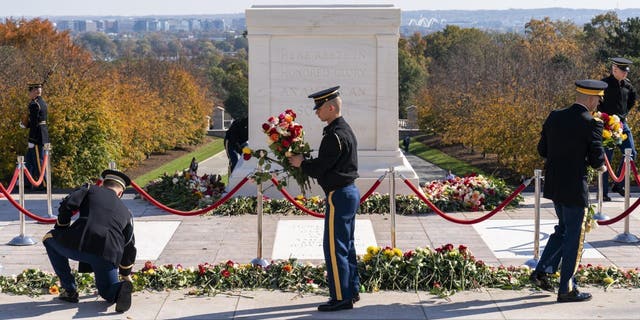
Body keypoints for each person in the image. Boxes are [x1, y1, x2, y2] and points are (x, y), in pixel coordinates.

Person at [531, 79, 607, 303]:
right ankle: (567, 288)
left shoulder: (555, 116)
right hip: (575, 187)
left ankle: (543, 269)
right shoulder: (592, 123)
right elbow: (596, 160)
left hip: (554, 184)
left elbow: (542, 150)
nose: (598, 105)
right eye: (598, 101)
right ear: (592, 99)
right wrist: (602, 165)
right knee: (575, 236)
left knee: (563, 229)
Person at [288, 86, 360, 312]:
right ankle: (351, 290)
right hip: (348, 192)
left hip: (338, 194)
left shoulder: (334, 136)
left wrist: (301, 163)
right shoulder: (343, 130)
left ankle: (341, 297)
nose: (317, 112)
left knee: (334, 247)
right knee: (346, 245)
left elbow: (321, 167)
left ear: (330, 107)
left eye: (319, 108)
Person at [42, 169, 137, 312]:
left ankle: (70, 290)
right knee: (106, 292)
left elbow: (67, 204)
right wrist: (125, 274)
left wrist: (62, 229)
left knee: (49, 239)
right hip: (108, 254)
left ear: (103, 184)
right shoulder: (127, 213)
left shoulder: (89, 189)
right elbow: (129, 246)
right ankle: (119, 289)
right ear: (120, 193)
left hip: (81, 244)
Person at [598, 57, 637, 201]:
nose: (626, 74)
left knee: (631, 152)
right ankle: (603, 192)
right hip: (607, 124)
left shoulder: (627, 85)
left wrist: (624, 115)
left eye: (626, 71)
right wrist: (603, 118)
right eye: (623, 71)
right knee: (606, 158)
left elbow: (632, 100)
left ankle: (618, 184)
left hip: (622, 123)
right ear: (614, 70)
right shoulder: (604, 84)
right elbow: (598, 103)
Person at [21, 83, 50, 190]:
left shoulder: (34, 104)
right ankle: (27, 183)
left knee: (38, 161)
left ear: (33, 92)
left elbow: (34, 123)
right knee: (29, 159)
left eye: (30, 92)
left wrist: (31, 139)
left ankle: (42, 183)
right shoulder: (42, 102)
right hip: (42, 133)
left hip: (37, 136)